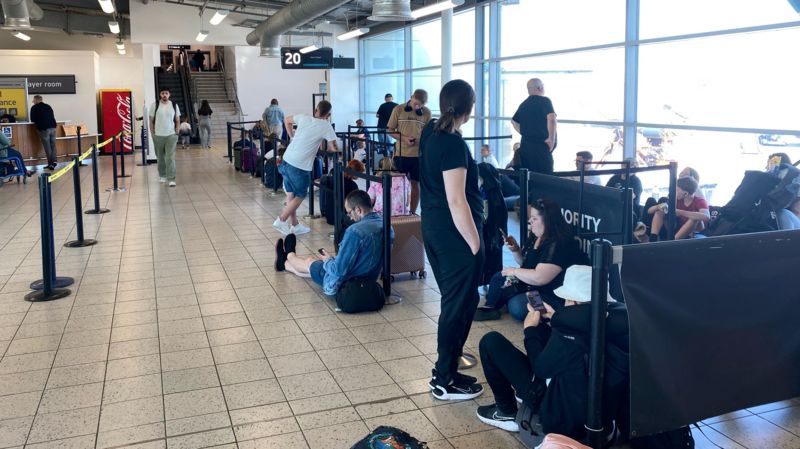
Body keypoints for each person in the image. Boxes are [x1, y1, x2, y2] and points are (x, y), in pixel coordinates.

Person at [476, 265, 628, 443]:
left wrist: (530, 330)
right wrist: (555, 319)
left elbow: (541, 369)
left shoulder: (567, 335)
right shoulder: (616, 323)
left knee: (490, 342)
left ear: (573, 302)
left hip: (558, 410)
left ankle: (505, 411)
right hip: (599, 412)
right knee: (543, 329)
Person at [419, 79, 484, 401]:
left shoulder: (432, 132)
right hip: (453, 234)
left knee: (461, 302)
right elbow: (457, 200)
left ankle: (450, 371)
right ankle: (443, 379)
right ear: (469, 108)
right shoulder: (452, 143)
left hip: (434, 226)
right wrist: (474, 242)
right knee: (456, 305)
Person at [474, 198, 587, 321]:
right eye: (530, 218)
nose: (530, 221)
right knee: (498, 277)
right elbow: (526, 263)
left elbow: (540, 278)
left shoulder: (559, 244)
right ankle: (490, 307)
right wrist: (516, 250)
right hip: (532, 286)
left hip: (549, 294)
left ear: (548, 221)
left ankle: (510, 300)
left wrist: (515, 272)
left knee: (517, 306)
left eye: (534, 219)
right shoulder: (536, 235)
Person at [274, 190, 393, 296]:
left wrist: (328, 260)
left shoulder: (355, 231)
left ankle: (289, 254)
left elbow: (339, 271)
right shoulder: (387, 225)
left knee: (310, 262)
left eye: (350, 213)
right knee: (309, 272)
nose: (350, 217)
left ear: (358, 210)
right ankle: (283, 264)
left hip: (345, 281)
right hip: (370, 278)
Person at [273, 100, 339, 236]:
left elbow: (286, 119)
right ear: (328, 114)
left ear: (316, 110)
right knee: (301, 195)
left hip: (286, 159)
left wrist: (292, 136)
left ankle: (295, 225)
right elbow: (334, 147)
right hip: (300, 166)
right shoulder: (326, 126)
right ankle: (281, 220)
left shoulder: (303, 117)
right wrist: (337, 154)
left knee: (291, 194)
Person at [387, 89, 432, 214]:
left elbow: (429, 133)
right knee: (397, 185)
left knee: (415, 185)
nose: (417, 106)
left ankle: (411, 213)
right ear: (411, 98)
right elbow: (389, 130)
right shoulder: (398, 109)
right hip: (401, 154)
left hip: (418, 155)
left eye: (420, 105)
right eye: (415, 103)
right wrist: (404, 138)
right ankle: (397, 211)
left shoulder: (427, 113)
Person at [511, 78, 557, 174]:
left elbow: (513, 121)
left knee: (529, 179)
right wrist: (551, 139)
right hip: (541, 147)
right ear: (539, 88)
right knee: (545, 178)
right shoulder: (545, 101)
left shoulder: (523, 104)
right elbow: (552, 118)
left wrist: (525, 132)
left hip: (525, 147)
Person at [644, 176, 710, 241]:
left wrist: (680, 212)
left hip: (694, 231)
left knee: (694, 219)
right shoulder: (675, 200)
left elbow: (706, 217)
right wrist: (658, 206)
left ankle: (672, 242)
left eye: (676, 190)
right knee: (659, 211)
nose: (673, 192)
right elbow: (649, 211)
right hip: (677, 228)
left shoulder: (700, 201)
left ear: (685, 194)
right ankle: (653, 238)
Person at [149, 88, 181, 187]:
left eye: (166, 93)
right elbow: (151, 120)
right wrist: (152, 133)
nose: (164, 95)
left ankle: (171, 178)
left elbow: (177, 120)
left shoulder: (174, 105)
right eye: (162, 93)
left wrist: (177, 131)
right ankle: (162, 175)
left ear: (169, 94)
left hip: (171, 135)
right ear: (160, 94)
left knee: (170, 157)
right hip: (158, 135)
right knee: (160, 157)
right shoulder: (155, 105)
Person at [30, 95, 58, 170]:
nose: (33, 101)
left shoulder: (34, 107)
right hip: (53, 127)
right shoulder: (48, 106)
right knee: (53, 145)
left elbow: (33, 119)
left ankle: (51, 164)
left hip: (43, 129)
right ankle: (54, 161)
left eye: (33, 100)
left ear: (36, 100)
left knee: (47, 146)